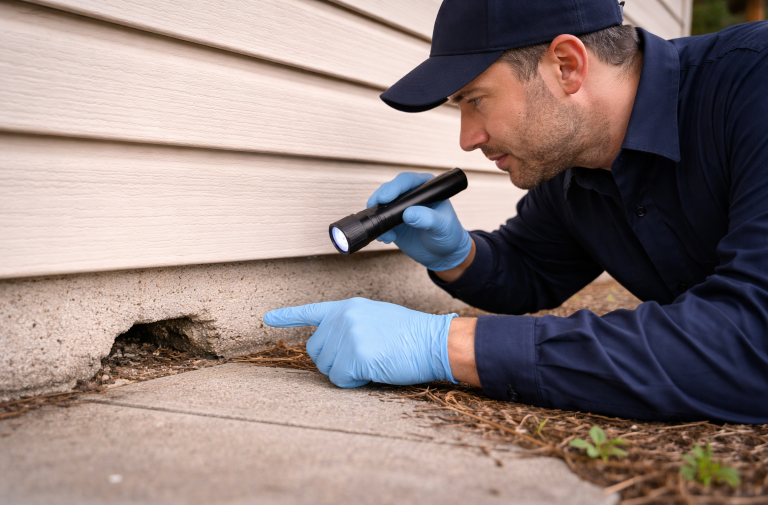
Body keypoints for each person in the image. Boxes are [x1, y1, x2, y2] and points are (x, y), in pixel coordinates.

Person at [265, 0, 768, 423]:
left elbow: (752, 342)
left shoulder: (753, 84)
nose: (467, 139)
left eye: (476, 100)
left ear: (567, 65)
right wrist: (457, 255)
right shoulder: (577, 166)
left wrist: (447, 346)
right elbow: (529, 270)